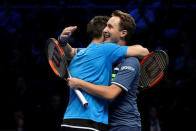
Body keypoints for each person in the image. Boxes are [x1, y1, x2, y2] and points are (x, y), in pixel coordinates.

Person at [59, 14, 149, 131]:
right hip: (103, 123)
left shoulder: (130, 61)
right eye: (106, 26)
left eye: (110, 27)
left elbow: (111, 94)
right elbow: (71, 53)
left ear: (123, 33)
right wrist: (62, 40)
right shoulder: (99, 53)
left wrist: (80, 83)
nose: (105, 30)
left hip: (124, 125)